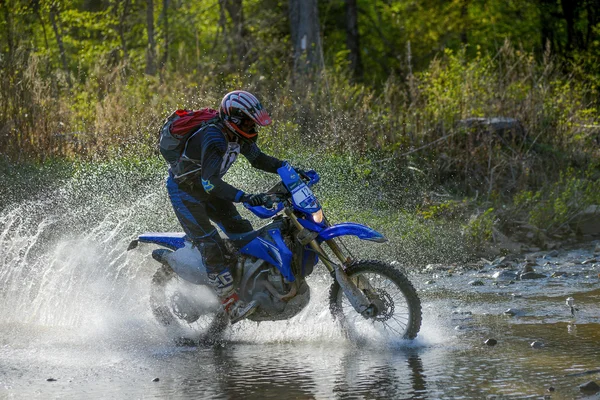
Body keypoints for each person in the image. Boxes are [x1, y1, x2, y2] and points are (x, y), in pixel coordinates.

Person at [166, 90, 304, 324]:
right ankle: (229, 302)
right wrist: (246, 196)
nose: (253, 128)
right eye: (250, 122)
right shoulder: (215, 137)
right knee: (210, 242)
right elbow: (210, 182)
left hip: (208, 190)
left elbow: (258, 159)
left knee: (242, 232)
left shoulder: (239, 136)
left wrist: (288, 169)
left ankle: (248, 282)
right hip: (186, 191)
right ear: (236, 119)